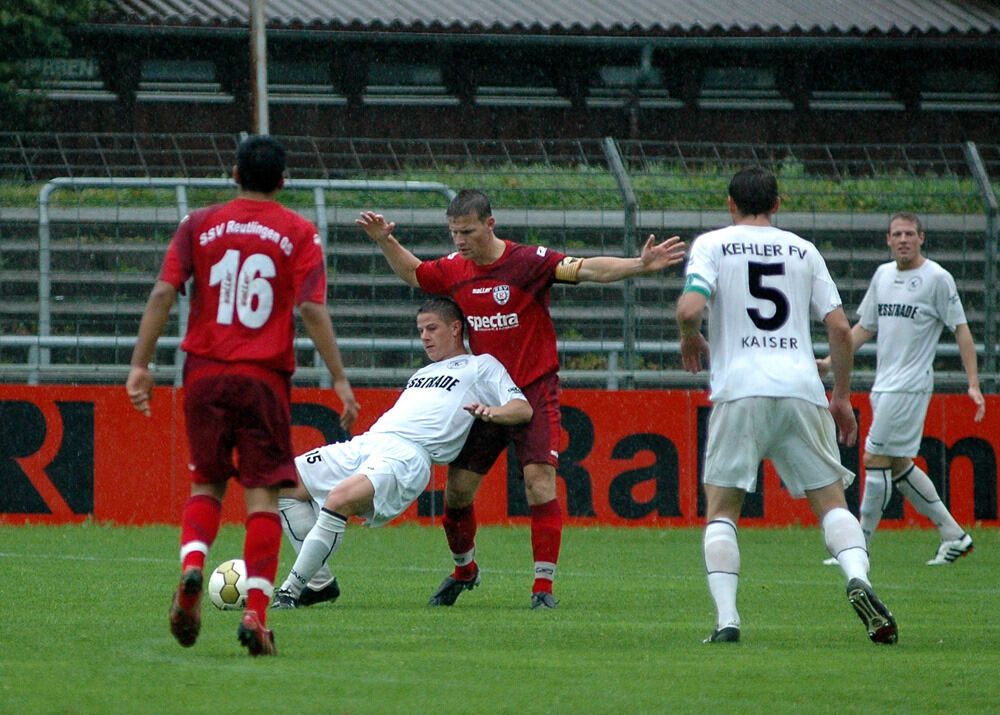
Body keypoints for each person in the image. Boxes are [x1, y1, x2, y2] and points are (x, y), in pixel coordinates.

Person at [357, 190, 686, 609]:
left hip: (533, 388)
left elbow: (588, 270)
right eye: (454, 232)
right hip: (485, 395)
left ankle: (542, 589)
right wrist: (386, 240)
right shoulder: (456, 269)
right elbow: (415, 274)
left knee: (539, 481)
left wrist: (639, 264)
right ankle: (464, 571)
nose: (459, 241)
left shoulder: (529, 261)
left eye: (468, 231)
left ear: (490, 225)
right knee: (457, 493)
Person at [126, 135, 359, 657]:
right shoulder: (298, 231)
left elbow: (163, 292)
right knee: (262, 498)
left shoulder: (199, 225)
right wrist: (339, 377)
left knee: (206, 485)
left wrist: (140, 365)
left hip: (204, 372)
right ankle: (255, 613)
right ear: (282, 181)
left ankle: (192, 563)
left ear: (233, 174)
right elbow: (311, 309)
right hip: (263, 378)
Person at [676, 166, 897, 645]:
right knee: (831, 503)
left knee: (722, 509)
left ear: (730, 204)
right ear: (778, 204)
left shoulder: (713, 245)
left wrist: (690, 337)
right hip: (800, 388)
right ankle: (858, 578)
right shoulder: (803, 250)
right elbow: (840, 330)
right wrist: (839, 396)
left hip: (740, 390)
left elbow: (689, 308)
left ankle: (728, 620)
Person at [270, 296, 532, 608]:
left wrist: (492, 412)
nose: (424, 336)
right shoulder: (422, 373)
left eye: (432, 328)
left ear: (455, 328)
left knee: (339, 499)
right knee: (282, 486)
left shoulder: (481, 366)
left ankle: (288, 591)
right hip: (369, 443)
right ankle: (318, 582)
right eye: (420, 330)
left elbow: (523, 408)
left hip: (408, 457)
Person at [819, 212, 985, 566]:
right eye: (897, 234)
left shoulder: (937, 278)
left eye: (910, 233)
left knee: (873, 458)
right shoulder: (882, 275)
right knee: (897, 464)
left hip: (909, 387)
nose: (903, 239)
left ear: (921, 238)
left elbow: (961, 330)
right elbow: (865, 327)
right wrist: (831, 363)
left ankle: (858, 546)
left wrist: (973, 382)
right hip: (885, 385)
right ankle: (954, 535)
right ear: (888, 240)